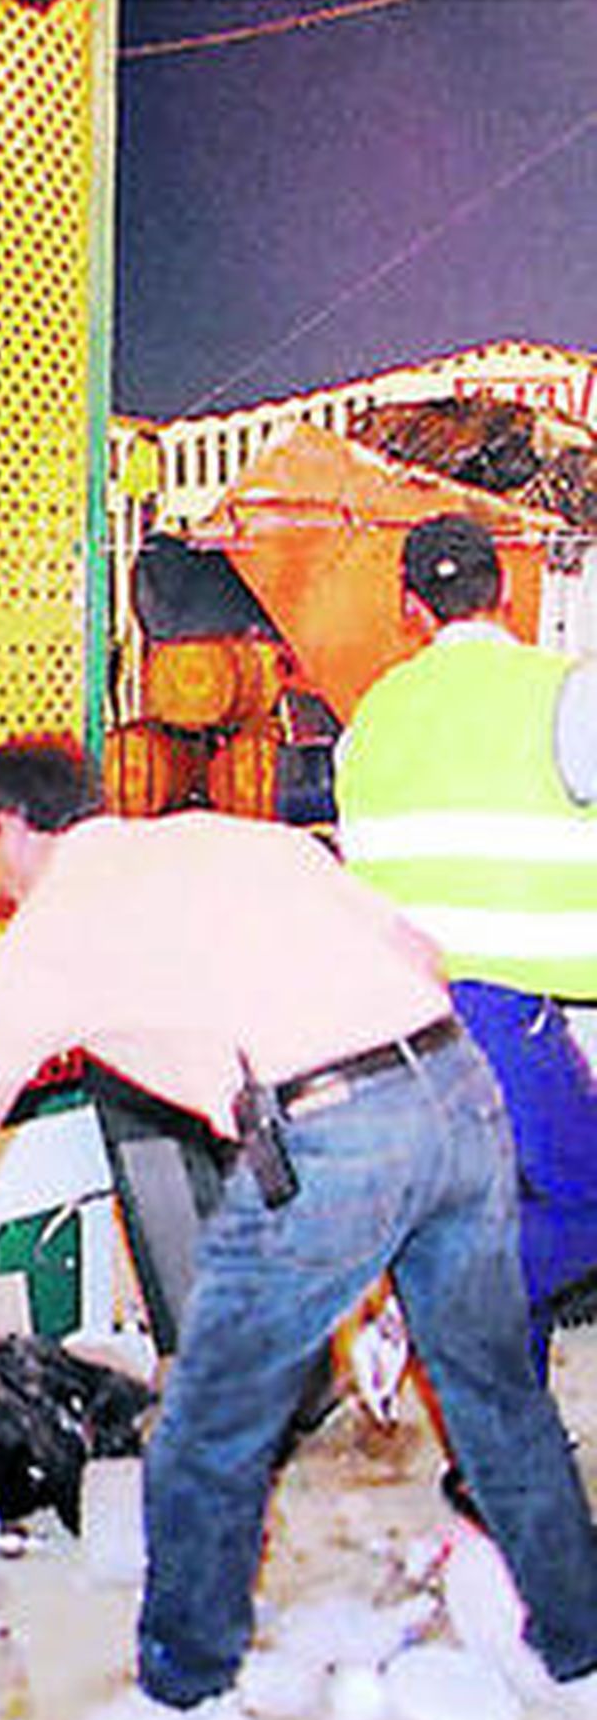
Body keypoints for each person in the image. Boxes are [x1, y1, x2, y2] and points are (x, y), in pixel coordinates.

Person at [0, 736, 597, 1720]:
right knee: (498, 1403)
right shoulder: (232, 839)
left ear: (1, 827)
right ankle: (583, 1660)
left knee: (207, 1426)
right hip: (457, 1089)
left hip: (330, 1129)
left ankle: (185, 1700)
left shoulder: (49, 933)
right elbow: (419, 957)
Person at [335, 512, 597, 1386]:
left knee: (499, 1211)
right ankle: (430, 1305)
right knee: (584, 1202)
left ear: (412, 609)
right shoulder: (563, 693)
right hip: (508, 1007)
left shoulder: (369, 722)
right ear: (507, 588)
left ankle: (505, 1451)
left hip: (402, 1019)